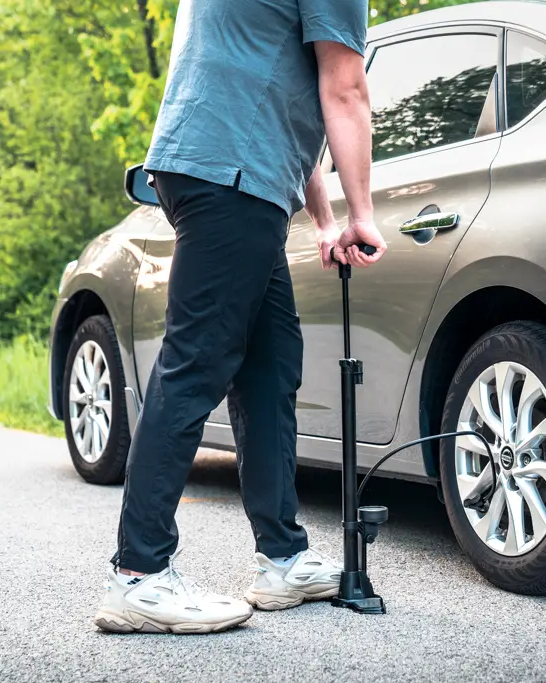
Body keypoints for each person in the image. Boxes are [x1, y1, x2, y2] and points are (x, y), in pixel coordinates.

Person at [93, 0, 386, 635]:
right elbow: (343, 89)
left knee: (270, 364)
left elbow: (283, 97)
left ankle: (282, 558)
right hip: (234, 178)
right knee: (195, 363)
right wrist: (363, 216)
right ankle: (139, 574)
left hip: (217, 170)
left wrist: (327, 221)